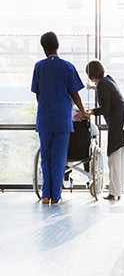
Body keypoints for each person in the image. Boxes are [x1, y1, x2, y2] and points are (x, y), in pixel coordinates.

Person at [31, 31, 89, 204]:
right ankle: (56, 196)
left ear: (43, 48)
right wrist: (83, 111)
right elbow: (75, 94)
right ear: (58, 46)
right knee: (59, 159)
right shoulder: (67, 66)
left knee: (46, 158)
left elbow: (38, 95)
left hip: (45, 119)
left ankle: (46, 195)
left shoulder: (39, 66)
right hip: (63, 120)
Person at [86, 60, 124, 200]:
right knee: (119, 158)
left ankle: (114, 192)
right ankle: (117, 190)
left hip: (117, 123)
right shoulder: (108, 80)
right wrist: (94, 88)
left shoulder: (102, 85)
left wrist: (90, 113)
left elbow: (105, 108)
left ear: (91, 75)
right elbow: (109, 94)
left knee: (113, 158)